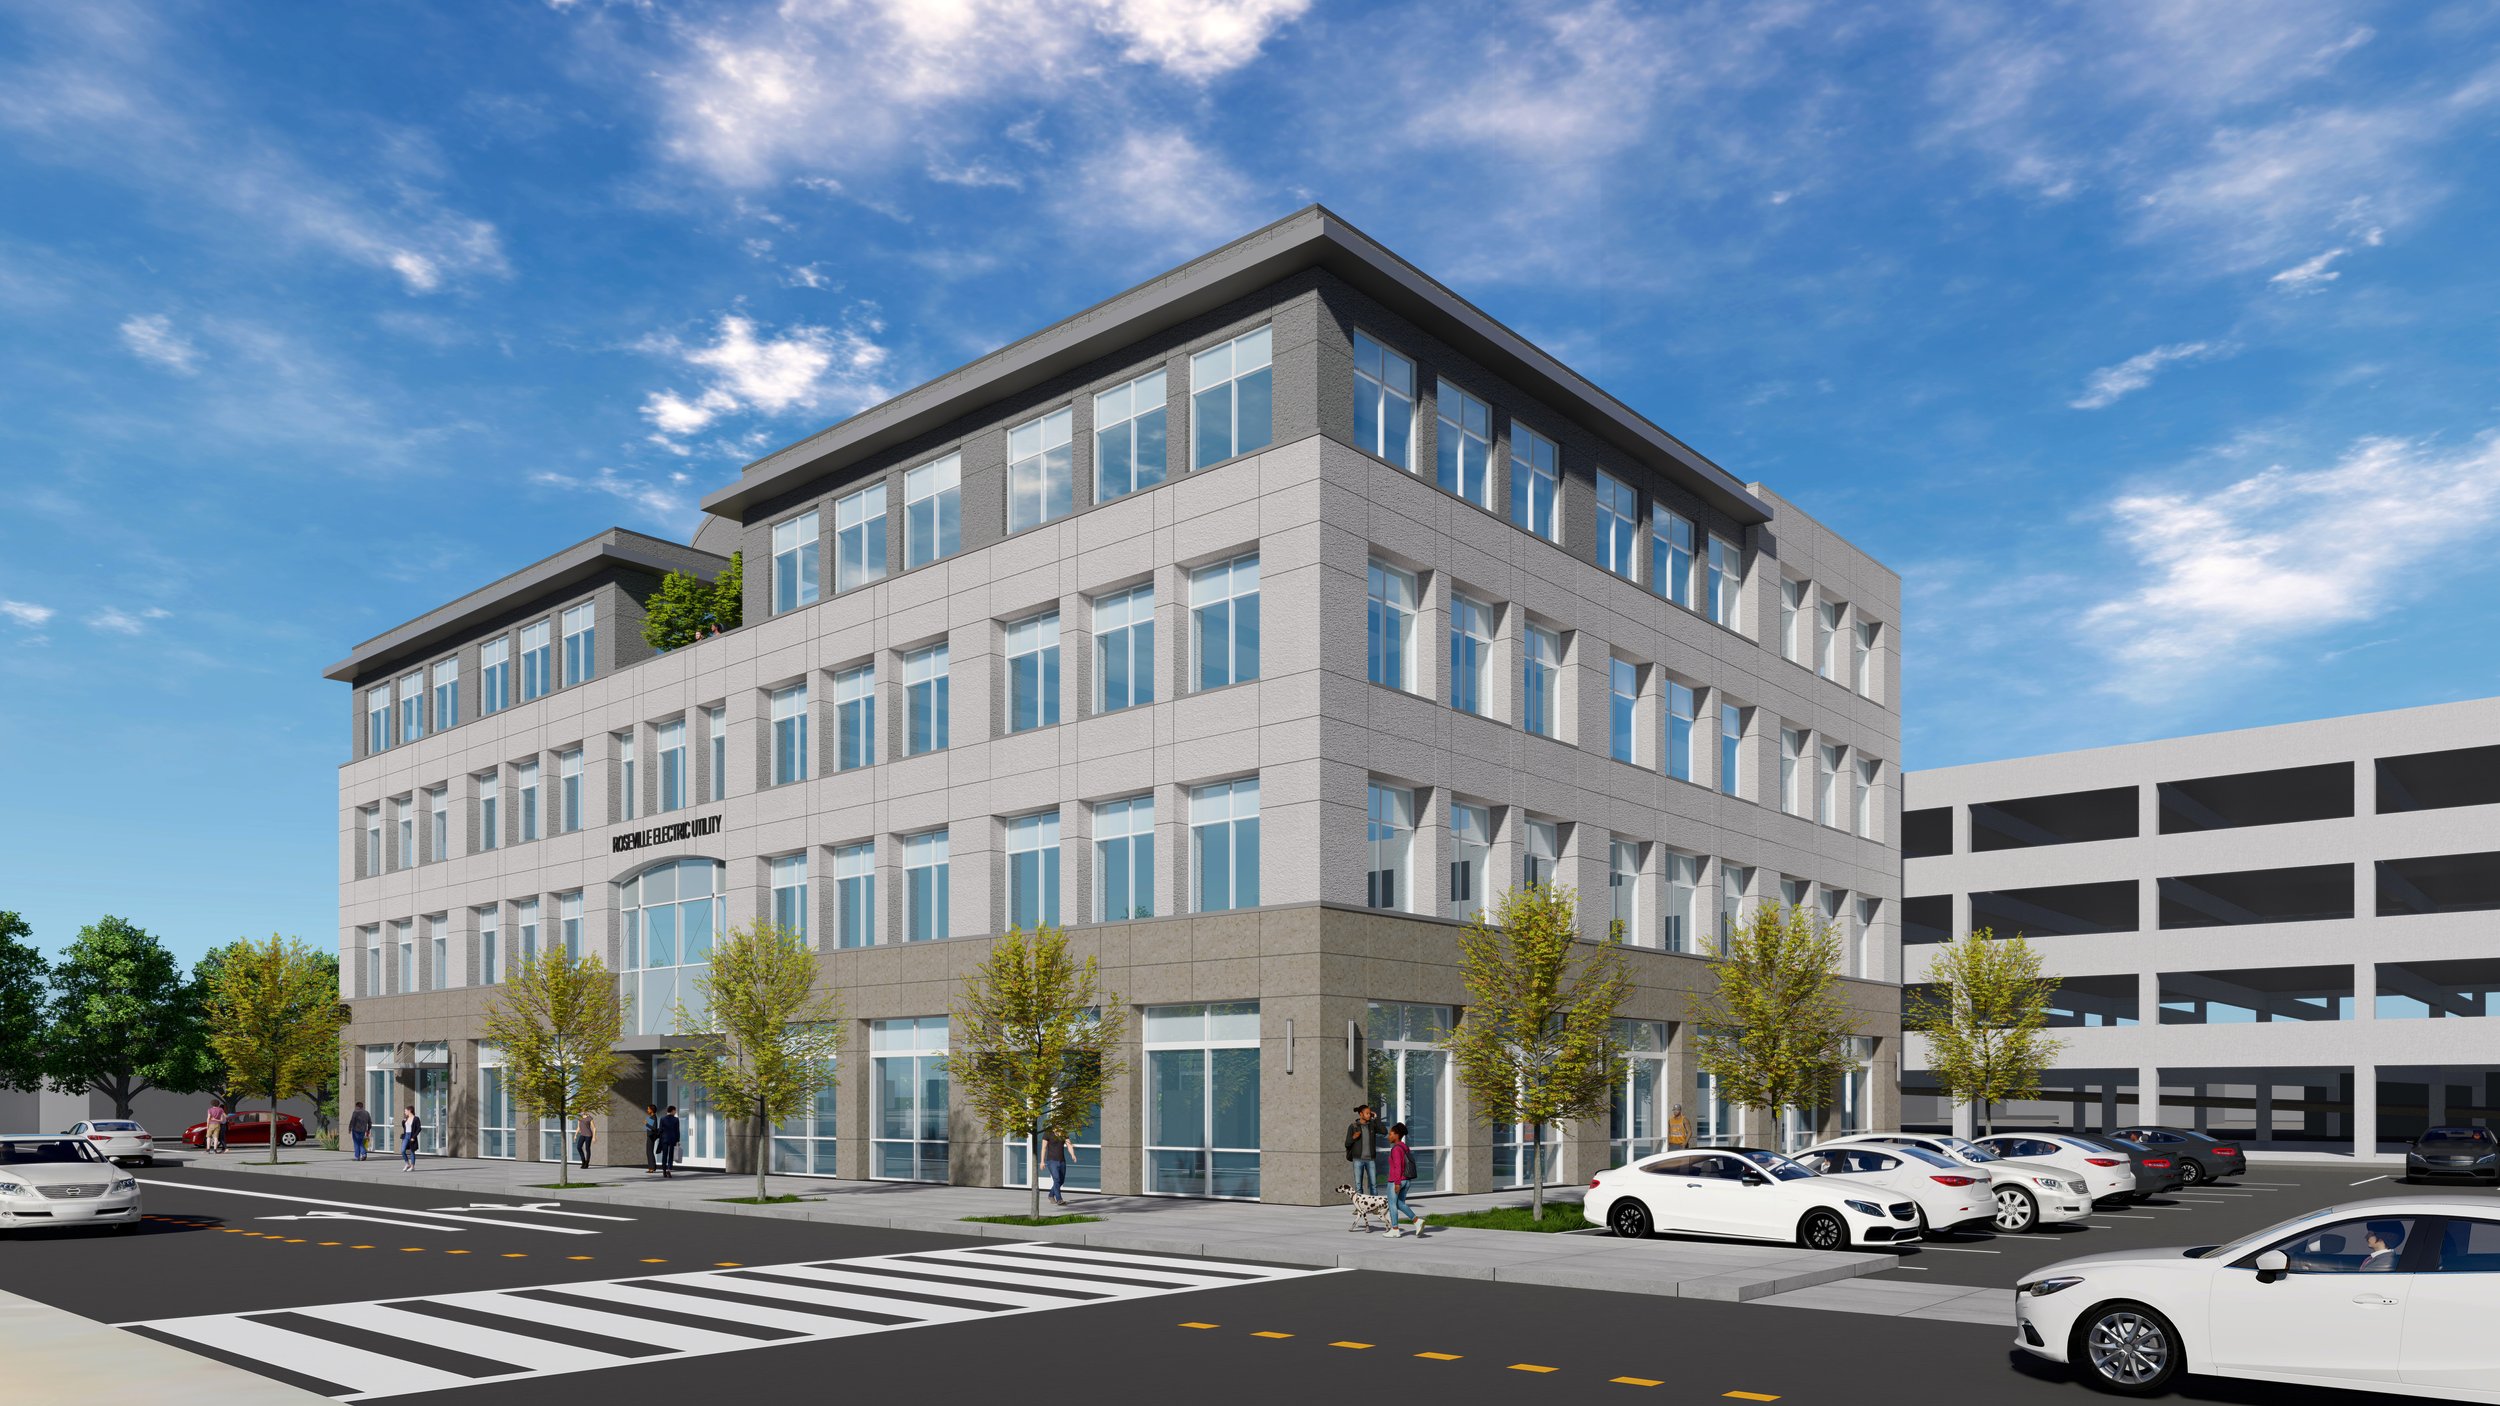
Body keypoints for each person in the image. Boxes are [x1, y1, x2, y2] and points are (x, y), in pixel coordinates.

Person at [1383, 1121, 1427, 1239]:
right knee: (1400, 1203)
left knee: (1392, 1204)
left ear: (1397, 1135)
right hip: (1407, 1180)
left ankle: (1395, 1229)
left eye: (1391, 1134)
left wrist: (1396, 1183)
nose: (1389, 1136)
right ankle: (1417, 1221)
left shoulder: (1396, 1149)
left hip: (1396, 1181)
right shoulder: (1405, 1147)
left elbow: (1398, 1166)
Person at [1344, 1104, 1381, 1196]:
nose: (1369, 1115)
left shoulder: (1372, 1125)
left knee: (1373, 1185)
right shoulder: (1353, 1126)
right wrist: (1353, 1137)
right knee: (1358, 1185)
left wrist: (1376, 1118)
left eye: (1370, 1113)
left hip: (1370, 1160)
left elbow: (1383, 1131)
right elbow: (1347, 1143)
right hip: (1358, 1160)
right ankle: (1360, 1208)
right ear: (1361, 1114)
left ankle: (1375, 1206)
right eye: (1367, 1113)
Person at [1041, 1127, 1070, 1206]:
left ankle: (1051, 1195)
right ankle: (1059, 1199)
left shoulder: (1064, 1133)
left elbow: (1069, 1145)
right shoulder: (1048, 1133)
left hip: (1062, 1161)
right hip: (1052, 1161)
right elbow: (1044, 1148)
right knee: (1056, 1179)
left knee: (1061, 1181)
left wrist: (1073, 1154)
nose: (1060, 1126)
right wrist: (1042, 1161)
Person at [657, 1105, 681, 1178]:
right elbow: (677, 1131)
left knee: (664, 1155)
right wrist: (678, 1140)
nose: (675, 1112)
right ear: (672, 1111)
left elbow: (660, 1130)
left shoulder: (662, 1119)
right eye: (675, 1110)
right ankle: (669, 1170)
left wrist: (659, 1137)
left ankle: (664, 1171)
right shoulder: (676, 1119)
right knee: (670, 1155)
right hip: (672, 1139)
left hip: (664, 1139)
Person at [399, 1105, 421, 1171]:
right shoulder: (406, 1118)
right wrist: (403, 1122)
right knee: (402, 1150)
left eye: (405, 1111)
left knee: (412, 1151)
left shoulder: (416, 1118)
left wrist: (414, 1137)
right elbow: (404, 1127)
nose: (404, 1112)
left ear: (409, 1111)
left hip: (412, 1136)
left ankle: (412, 1166)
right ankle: (407, 1163)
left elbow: (419, 1128)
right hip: (406, 1136)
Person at [642, 1104, 661, 1174]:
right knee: (649, 1151)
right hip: (650, 1136)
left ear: (651, 1110)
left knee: (649, 1152)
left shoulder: (654, 1117)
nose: (647, 1110)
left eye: (648, 1109)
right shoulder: (651, 1117)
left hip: (651, 1136)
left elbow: (654, 1128)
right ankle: (653, 1167)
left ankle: (651, 1168)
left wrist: (646, 1124)